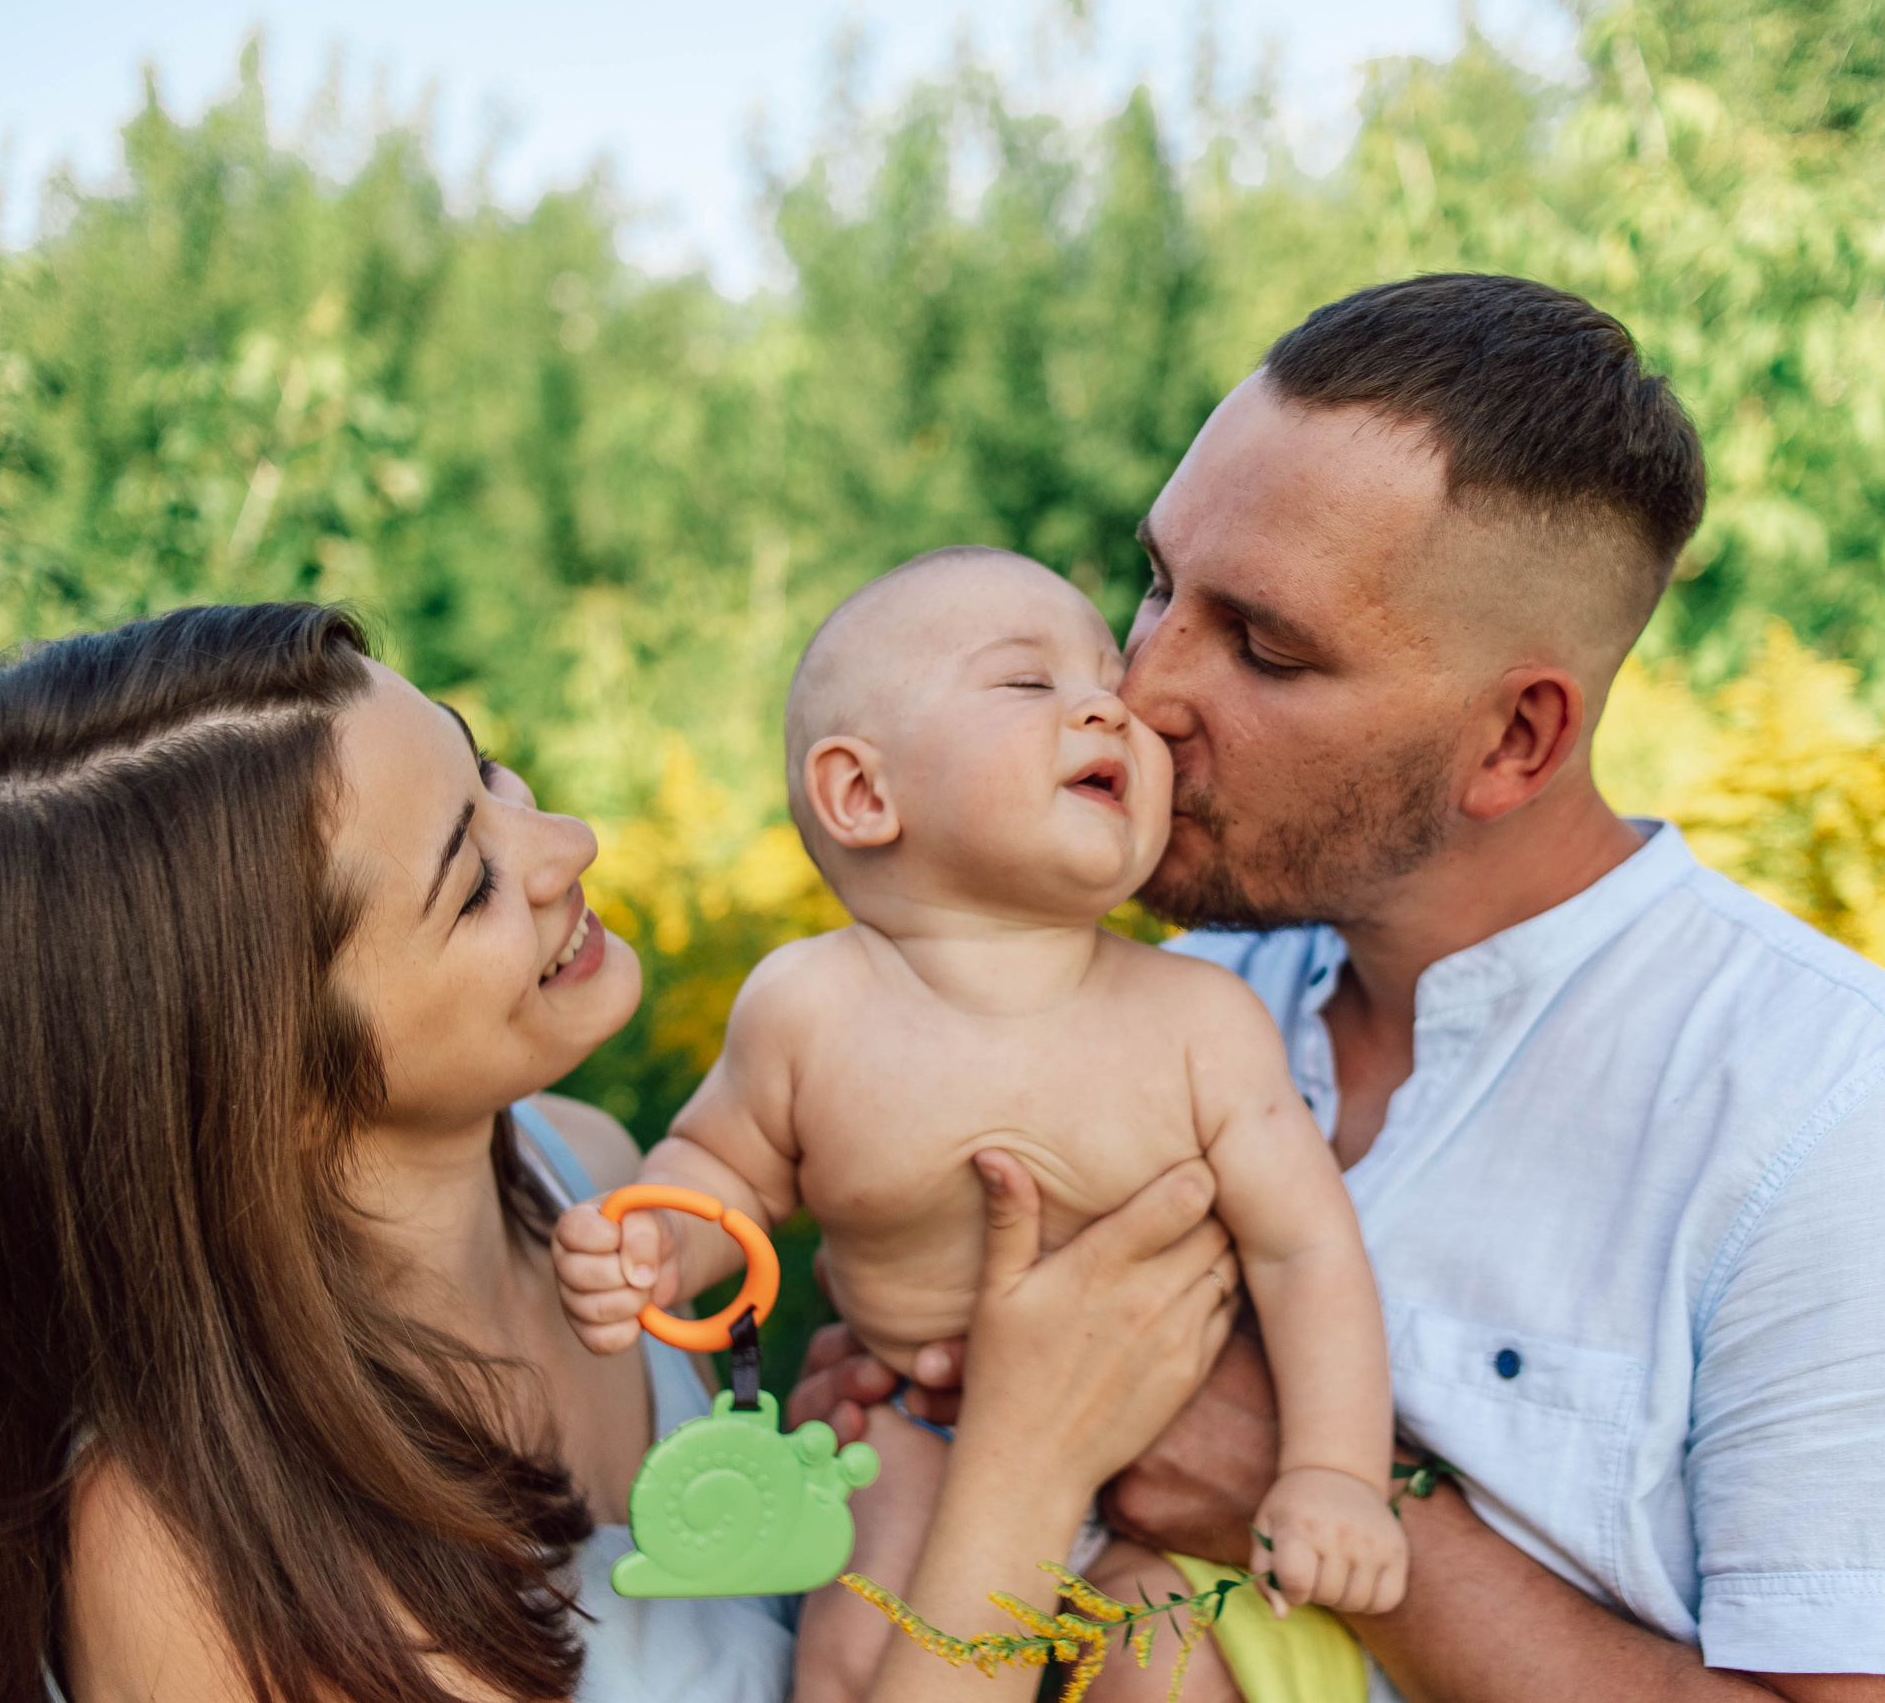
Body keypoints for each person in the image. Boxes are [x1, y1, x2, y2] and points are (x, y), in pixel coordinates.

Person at [794, 273, 1885, 1701]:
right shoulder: (1161, 988)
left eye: (1265, 647)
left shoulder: (1846, 1122)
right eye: (1161, 582)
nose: (1141, 687)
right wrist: (919, 1365)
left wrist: (1281, 1476)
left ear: (1516, 738)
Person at [0, 601, 1238, 1703]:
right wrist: (1022, 1470)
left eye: (483, 764)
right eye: (472, 877)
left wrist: (853, 1449)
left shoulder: (594, 1168)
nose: (567, 838)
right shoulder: (186, 1545)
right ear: (272, 1090)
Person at [552, 547, 1403, 1703]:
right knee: (852, 1662)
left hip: (1162, 1472)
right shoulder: (810, 1007)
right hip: (918, 1438)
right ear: (864, 794)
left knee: (1170, 1670)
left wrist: (1333, 1472)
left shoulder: (1203, 1021)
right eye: (1026, 684)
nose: (1111, 705)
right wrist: (660, 1244)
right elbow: (724, 1170)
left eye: (1108, 679)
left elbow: (1305, 1248)